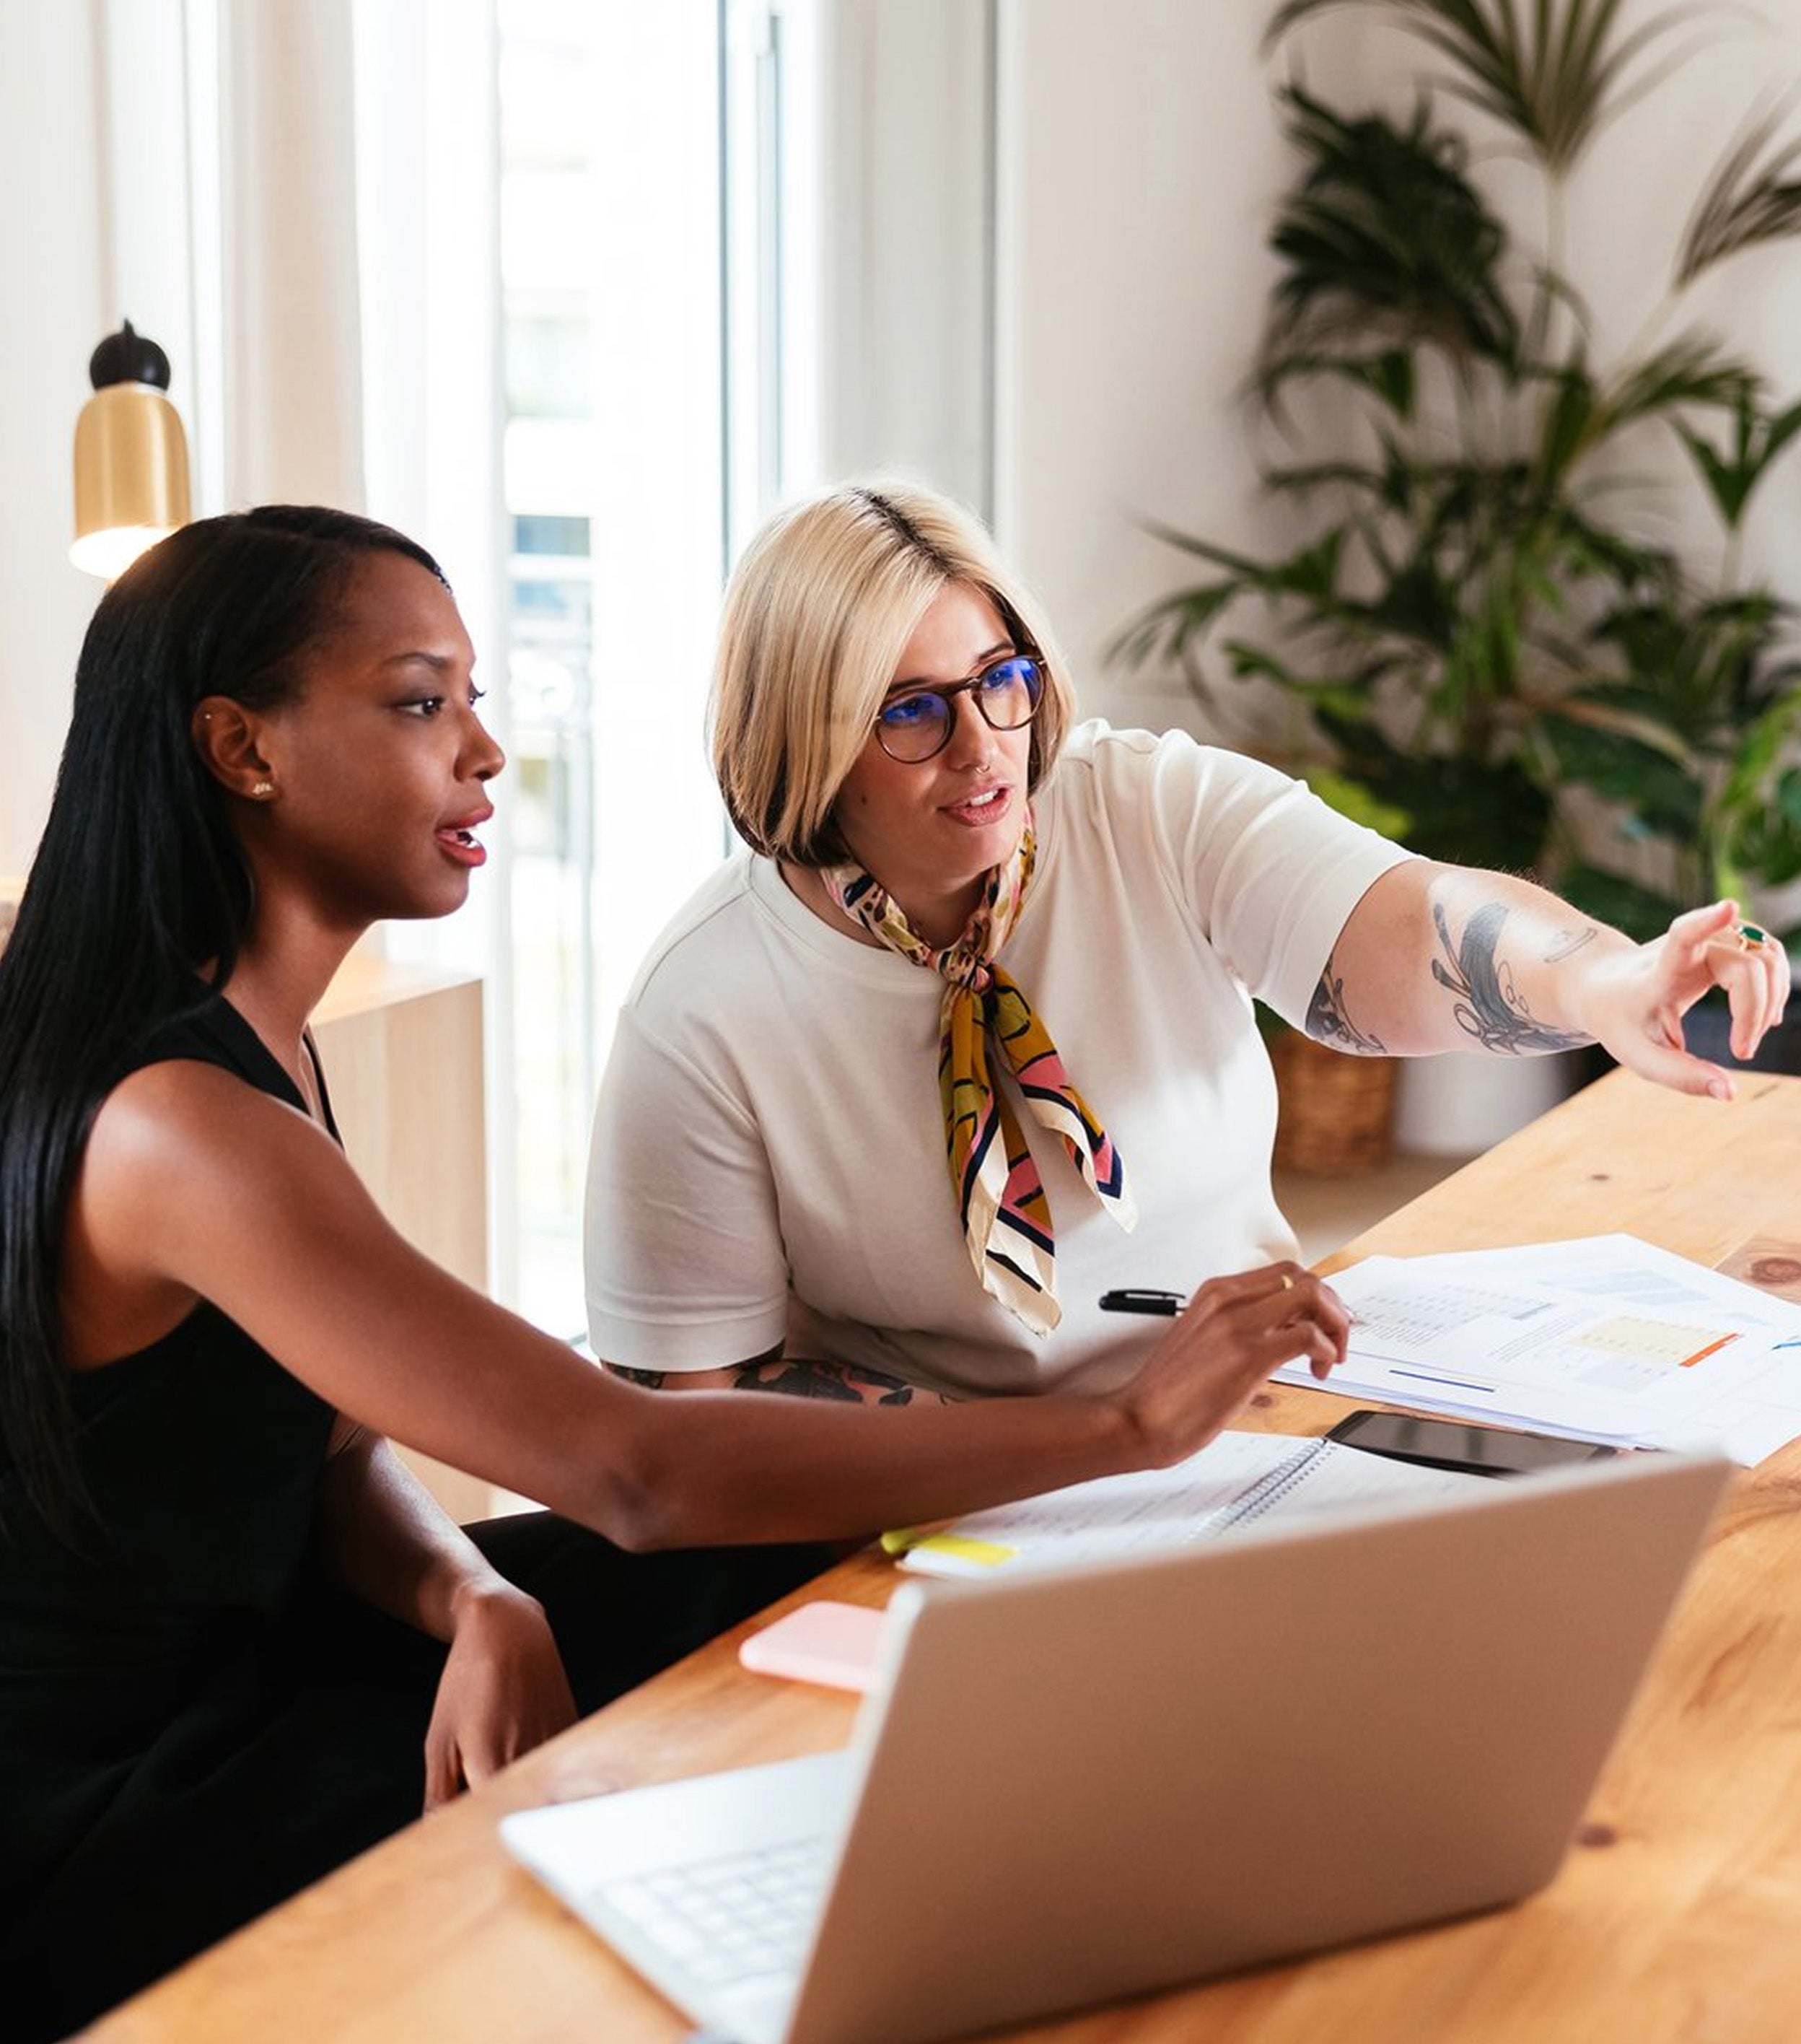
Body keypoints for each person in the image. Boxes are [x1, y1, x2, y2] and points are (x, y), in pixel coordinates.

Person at [0, 507, 1354, 2040]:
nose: (485, 756)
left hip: (275, 1652)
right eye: (421, 701)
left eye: (476, 702)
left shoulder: (249, 1045)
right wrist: (1126, 1433)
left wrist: (470, 1592)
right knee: (715, 1556)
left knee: (766, 1579)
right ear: (242, 751)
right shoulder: (182, 1126)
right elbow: (627, 1462)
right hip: (122, 1802)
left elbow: (330, 1452)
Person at [583, 479, 1789, 1402]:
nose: (983, 745)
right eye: (910, 710)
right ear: (803, 740)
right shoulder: (704, 1015)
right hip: (936, 1520)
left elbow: (1404, 918)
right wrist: (1109, 1433)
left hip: (1258, 1420)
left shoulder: (1144, 807)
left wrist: (1600, 978)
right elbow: (704, 1433)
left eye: (1002, 678)